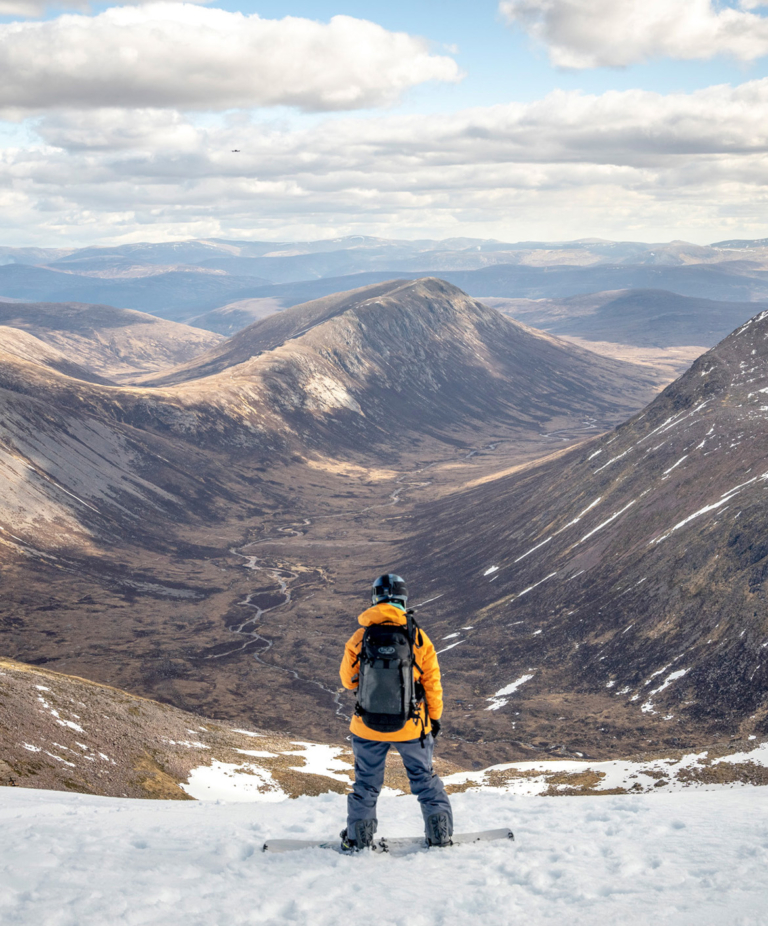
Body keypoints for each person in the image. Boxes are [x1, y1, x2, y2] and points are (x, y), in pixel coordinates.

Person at [339, 573, 453, 851]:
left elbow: (347, 680)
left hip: (367, 725)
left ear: (375, 598)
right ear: (404, 599)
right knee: (424, 780)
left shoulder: (361, 636)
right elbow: (432, 684)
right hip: (412, 725)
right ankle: (439, 834)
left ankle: (359, 837)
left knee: (366, 784)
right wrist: (434, 718)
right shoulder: (418, 637)